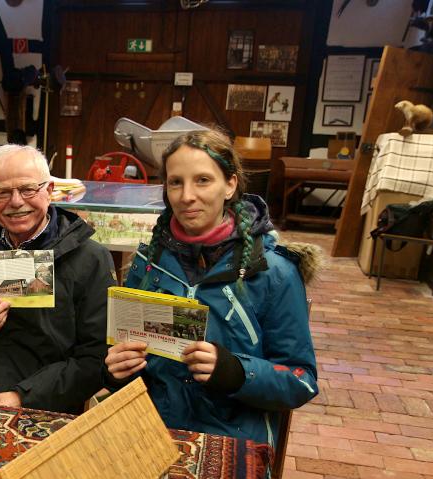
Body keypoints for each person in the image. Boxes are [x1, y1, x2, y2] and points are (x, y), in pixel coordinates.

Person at [105, 128, 319, 446]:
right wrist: (116, 370)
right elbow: (128, 360)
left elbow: (302, 381)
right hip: (151, 432)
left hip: (234, 440)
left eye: (202, 180)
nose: (186, 196)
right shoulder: (148, 263)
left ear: (230, 184)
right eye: (176, 182)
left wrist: (236, 372)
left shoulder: (273, 272)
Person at [0, 144, 115, 414]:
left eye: (28, 189)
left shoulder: (90, 260)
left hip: (46, 404)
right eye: (3, 192)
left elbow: (95, 360)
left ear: (48, 191)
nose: (16, 202)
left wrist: (23, 396)